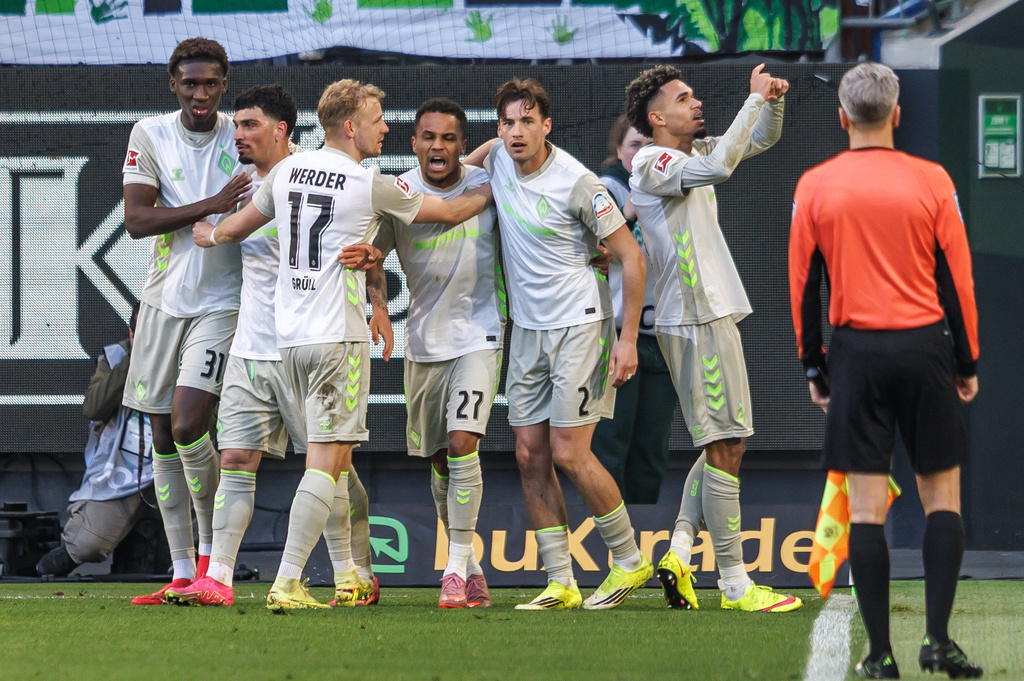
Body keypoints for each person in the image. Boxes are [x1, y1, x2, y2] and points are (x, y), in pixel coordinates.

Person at [193, 78, 492, 610]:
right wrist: (499, 185)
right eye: (378, 119)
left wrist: (208, 235)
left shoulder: (286, 170)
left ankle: (330, 574)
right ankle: (288, 581)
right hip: (338, 337)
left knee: (323, 462)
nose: (386, 128)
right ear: (351, 127)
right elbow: (448, 212)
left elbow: (236, 227)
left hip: (287, 341)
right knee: (326, 464)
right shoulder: (367, 181)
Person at [789, 62, 982, 679]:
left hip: (856, 356)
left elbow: (803, 286)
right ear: (896, 115)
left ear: (842, 117)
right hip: (926, 350)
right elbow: (959, 281)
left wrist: (814, 366)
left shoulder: (815, 185)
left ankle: (879, 655)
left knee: (866, 507)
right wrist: (966, 360)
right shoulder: (933, 180)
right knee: (941, 499)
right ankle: (937, 642)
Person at [164, 85, 377, 608]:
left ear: (282, 130)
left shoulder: (315, 171)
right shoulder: (233, 187)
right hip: (251, 344)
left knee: (333, 467)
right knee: (236, 455)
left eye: (249, 125)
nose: (237, 135)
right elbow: (212, 240)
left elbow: (372, 237)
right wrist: (210, 225)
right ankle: (219, 578)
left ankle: (354, 570)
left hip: (308, 341)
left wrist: (377, 286)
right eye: (235, 126)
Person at [465, 78, 652, 611]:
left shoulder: (579, 182)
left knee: (571, 452)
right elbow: (465, 165)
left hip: (581, 326)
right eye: (508, 122)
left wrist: (629, 340)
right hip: (525, 331)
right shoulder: (499, 159)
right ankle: (560, 581)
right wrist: (489, 145)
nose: (517, 132)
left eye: (528, 121)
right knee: (530, 454)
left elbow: (631, 258)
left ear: (547, 126)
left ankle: (629, 561)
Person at [625, 64, 802, 612]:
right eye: (683, 98)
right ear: (657, 118)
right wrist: (751, 100)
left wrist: (769, 102)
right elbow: (724, 165)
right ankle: (734, 584)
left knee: (725, 439)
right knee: (726, 442)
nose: (695, 103)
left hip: (710, 314)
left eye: (694, 95)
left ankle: (679, 550)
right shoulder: (652, 161)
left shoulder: (691, 152)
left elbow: (760, 138)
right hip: (696, 316)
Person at [120, 37, 251, 605]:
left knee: (188, 422)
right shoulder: (149, 133)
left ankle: (210, 562)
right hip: (162, 300)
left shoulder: (241, 133)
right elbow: (137, 220)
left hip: (223, 302)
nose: (201, 94)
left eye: (212, 83)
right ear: (173, 83)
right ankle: (179, 571)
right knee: (160, 435)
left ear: (224, 84)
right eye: (191, 83)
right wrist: (213, 203)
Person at [370, 98, 501, 609]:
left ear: (462, 145)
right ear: (414, 143)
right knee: (442, 458)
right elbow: (374, 257)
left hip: (481, 333)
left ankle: (451, 567)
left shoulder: (489, 182)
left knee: (463, 441)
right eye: (429, 137)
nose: (438, 146)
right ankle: (470, 568)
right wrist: (378, 306)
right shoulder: (398, 190)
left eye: (449, 138)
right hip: (423, 340)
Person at [590, 116, 677, 504]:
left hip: (661, 336)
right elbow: (603, 244)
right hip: (617, 338)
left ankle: (645, 534)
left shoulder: (676, 188)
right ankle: (614, 544)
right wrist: (638, 196)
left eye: (648, 146)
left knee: (651, 450)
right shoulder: (605, 187)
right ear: (619, 151)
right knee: (610, 445)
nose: (640, 154)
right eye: (633, 146)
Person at [37, 306, 160, 577]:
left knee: (205, 537)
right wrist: (134, 359)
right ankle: (55, 560)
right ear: (132, 332)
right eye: (145, 331)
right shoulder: (116, 357)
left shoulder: (189, 355)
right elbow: (93, 408)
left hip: (174, 471)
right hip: (123, 473)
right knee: (86, 545)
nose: (153, 338)